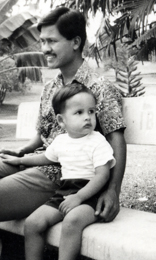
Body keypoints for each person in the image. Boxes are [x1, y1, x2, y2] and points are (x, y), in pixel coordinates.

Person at [0, 6, 126, 222]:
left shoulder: (100, 88)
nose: (45, 48)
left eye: (52, 41)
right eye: (42, 41)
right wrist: (23, 151)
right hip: (36, 160)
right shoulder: (51, 87)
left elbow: (117, 141)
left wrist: (113, 190)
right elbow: (43, 133)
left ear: (75, 42)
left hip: (63, 176)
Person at [1, 83, 116, 260]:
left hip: (91, 194)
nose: (88, 117)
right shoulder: (61, 140)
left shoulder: (97, 141)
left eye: (91, 111)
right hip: (64, 191)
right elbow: (45, 158)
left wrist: (79, 197)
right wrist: (20, 160)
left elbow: (103, 175)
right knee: (33, 223)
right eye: (79, 112)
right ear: (61, 121)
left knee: (72, 221)